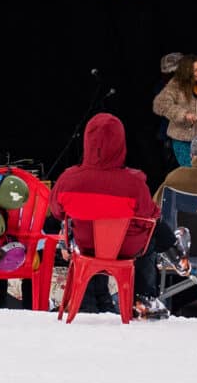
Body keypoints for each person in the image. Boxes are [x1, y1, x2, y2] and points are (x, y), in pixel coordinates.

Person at [51, 111, 162, 314]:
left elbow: (57, 212)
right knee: (152, 234)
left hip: (84, 246)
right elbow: (150, 216)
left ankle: (88, 302)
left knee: (85, 230)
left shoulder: (68, 179)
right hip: (124, 249)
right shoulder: (135, 182)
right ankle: (144, 297)